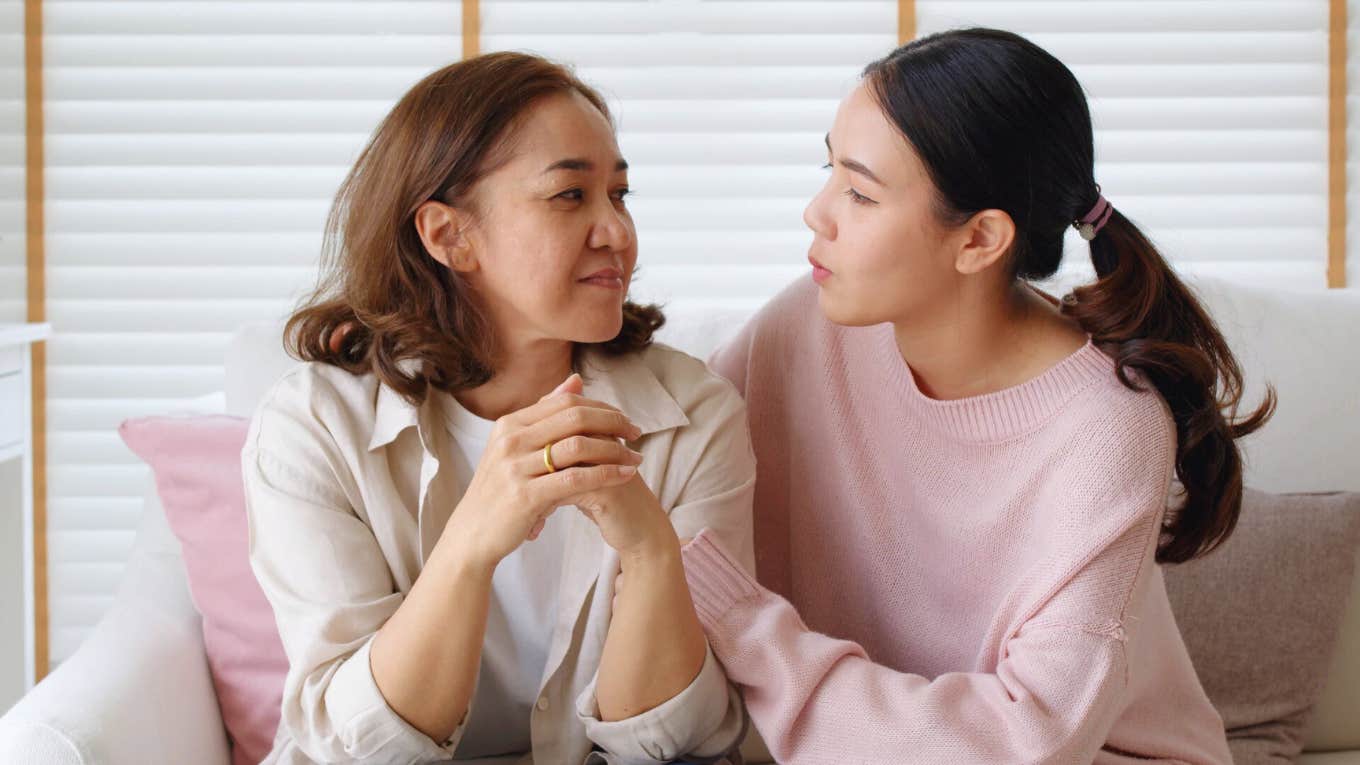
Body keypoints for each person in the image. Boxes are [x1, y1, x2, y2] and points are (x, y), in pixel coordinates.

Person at [675, 28, 1274, 764]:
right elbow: (673, 440)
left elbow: (1028, 742)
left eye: (859, 192)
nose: (817, 212)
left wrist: (742, 621)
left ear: (980, 239)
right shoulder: (814, 320)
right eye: (828, 169)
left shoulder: (1107, 429)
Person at [242, 52, 753, 765]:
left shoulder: (693, 413)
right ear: (450, 235)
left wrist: (649, 547)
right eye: (570, 196)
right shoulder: (313, 427)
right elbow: (364, 744)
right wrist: (474, 536)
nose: (617, 232)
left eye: (621, 193)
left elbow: (670, 741)